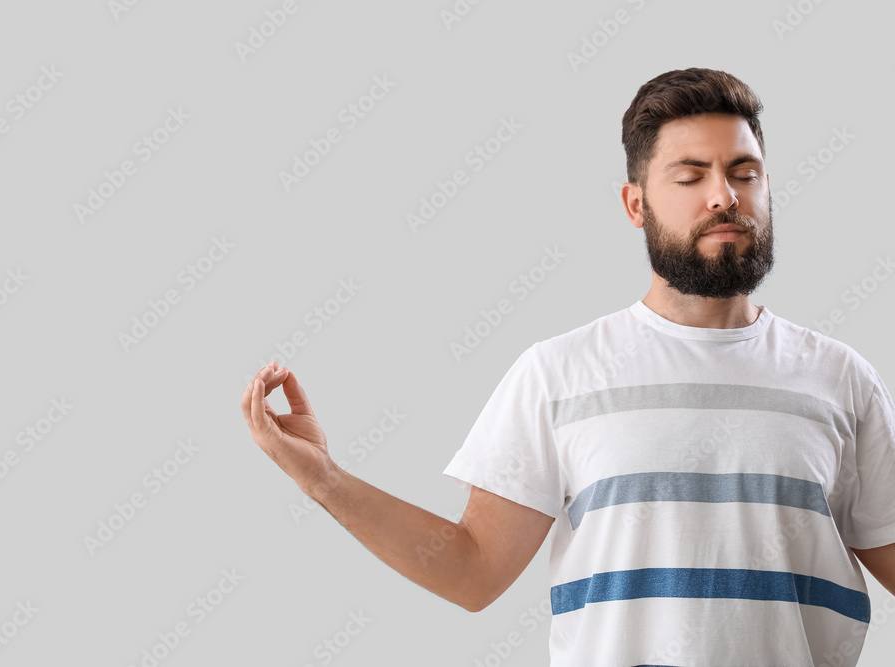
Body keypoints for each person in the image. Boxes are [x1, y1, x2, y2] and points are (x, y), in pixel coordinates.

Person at [241, 67, 895, 666]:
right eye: (690, 176)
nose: (723, 195)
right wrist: (324, 479)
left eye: (744, 173)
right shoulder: (558, 374)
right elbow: (472, 570)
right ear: (635, 204)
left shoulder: (841, 380)